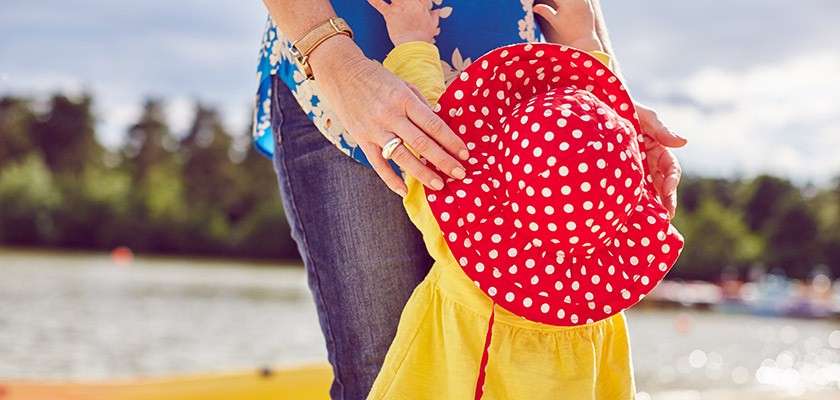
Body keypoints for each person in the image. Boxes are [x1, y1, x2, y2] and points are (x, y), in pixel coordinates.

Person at [256, 1, 686, 399]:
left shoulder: (462, 221)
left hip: (406, 45)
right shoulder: (600, 315)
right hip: (345, 68)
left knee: (374, 371)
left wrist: (411, 40)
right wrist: (588, 53)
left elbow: (430, 145)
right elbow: (589, 139)